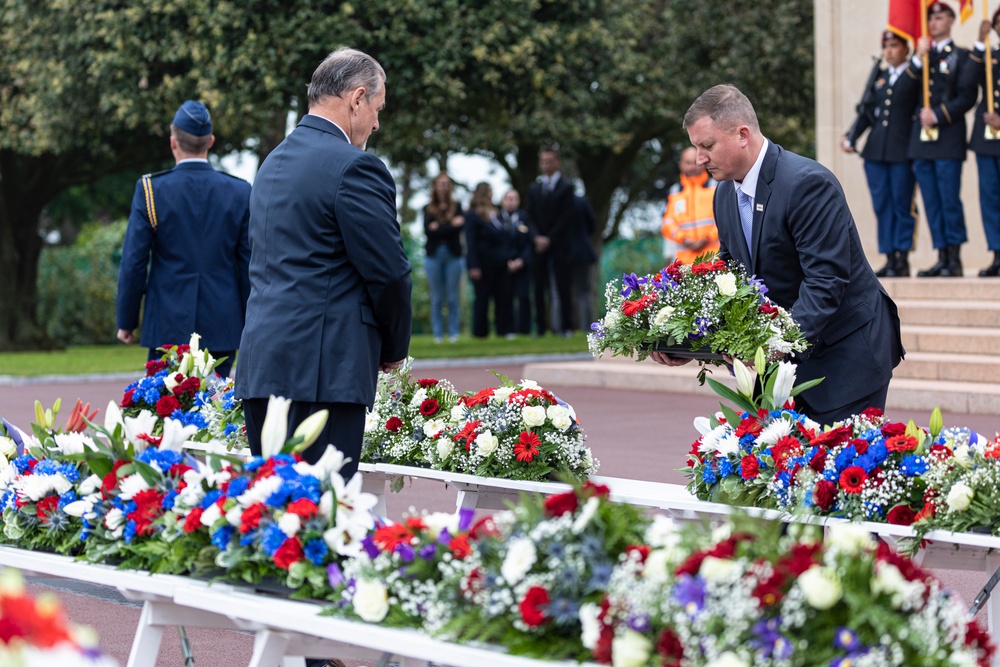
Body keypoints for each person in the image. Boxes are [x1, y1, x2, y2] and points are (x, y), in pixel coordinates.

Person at [653, 84, 903, 426]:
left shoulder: (807, 184)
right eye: (696, 147)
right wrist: (689, 342)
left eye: (707, 146)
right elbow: (732, 282)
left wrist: (774, 344)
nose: (699, 159)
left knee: (836, 475)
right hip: (783, 365)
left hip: (845, 358)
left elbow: (825, 282)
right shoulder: (723, 194)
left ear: (742, 134)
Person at [235, 48, 412, 478]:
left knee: (273, 515)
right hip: (323, 371)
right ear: (356, 98)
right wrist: (393, 350)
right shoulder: (355, 168)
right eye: (377, 107)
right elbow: (389, 273)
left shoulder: (271, 163)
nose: (376, 123)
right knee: (321, 516)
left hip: (263, 365)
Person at [116, 100, 251, 379]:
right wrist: (252, 324)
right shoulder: (239, 192)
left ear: (173, 142)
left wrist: (126, 321)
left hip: (167, 326)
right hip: (222, 325)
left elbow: (134, 263)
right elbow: (248, 266)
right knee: (216, 413)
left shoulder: (152, 190)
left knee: (167, 414)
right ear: (210, 141)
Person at [906, 1, 979, 277]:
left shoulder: (960, 56)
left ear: (951, 20)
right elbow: (905, 93)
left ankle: (954, 257)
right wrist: (917, 57)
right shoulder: (923, 56)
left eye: (940, 17)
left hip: (948, 138)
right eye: (931, 18)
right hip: (922, 142)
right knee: (931, 202)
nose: (934, 22)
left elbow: (967, 96)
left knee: (949, 199)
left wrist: (938, 114)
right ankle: (941, 255)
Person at [843, 31, 919, 278]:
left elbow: (910, 91)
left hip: (901, 152)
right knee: (882, 205)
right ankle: (889, 256)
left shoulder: (913, 75)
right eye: (885, 46)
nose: (889, 51)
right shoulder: (881, 77)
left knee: (902, 204)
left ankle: (903, 256)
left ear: (906, 49)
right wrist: (851, 136)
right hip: (876, 153)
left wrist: (919, 60)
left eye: (894, 45)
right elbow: (867, 112)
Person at [527, 147, 576, 336]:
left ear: (557, 162)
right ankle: (540, 327)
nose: (546, 164)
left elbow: (567, 217)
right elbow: (529, 216)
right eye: (543, 161)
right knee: (538, 287)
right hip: (538, 246)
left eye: (550, 161)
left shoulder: (567, 187)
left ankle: (566, 326)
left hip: (559, 245)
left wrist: (549, 238)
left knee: (563, 286)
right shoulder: (534, 189)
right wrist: (536, 237)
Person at [970, 9, 1000, 276]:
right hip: (987, 140)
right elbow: (967, 82)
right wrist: (980, 42)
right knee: (990, 198)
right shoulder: (989, 55)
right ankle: (997, 253)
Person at [465, 182, 515, 337]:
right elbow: (471, 242)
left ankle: (504, 330)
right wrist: (473, 265)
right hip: (483, 264)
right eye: (490, 191)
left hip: (500, 262)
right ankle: (480, 333)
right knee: (482, 299)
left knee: (503, 297)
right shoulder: (473, 215)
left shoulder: (498, 213)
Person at [423, 173, 465, 341]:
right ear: (435, 186)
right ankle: (438, 334)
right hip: (433, 256)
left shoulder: (458, 206)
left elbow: (458, 229)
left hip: (453, 255)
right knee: (437, 297)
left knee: (453, 296)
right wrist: (449, 225)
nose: (444, 187)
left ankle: (454, 333)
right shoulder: (427, 208)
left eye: (446, 184)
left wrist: (438, 227)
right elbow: (428, 231)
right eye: (441, 184)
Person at [659, 146, 719, 265]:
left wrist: (707, 238)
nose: (692, 167)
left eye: (695, 162)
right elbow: (667, 223)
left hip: (713, 258)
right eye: (688, 163)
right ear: (680, 165)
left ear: (702, 162)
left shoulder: (715, 187)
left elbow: (725, 219)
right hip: (682, 262)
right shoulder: (674, 192)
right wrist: (683, 239)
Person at [498, 188, 535, 335]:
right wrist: (507, 260)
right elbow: (497, 243)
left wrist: (521, 260)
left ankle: (524, 330)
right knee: (505, 298)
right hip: (504, 265)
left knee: (524, 297)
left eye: (514, 199)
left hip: (522, 265)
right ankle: (507, 330)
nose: (511, 202)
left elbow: (529, 243)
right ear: (503, 201)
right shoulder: (497, 219)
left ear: (518, 201)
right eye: (508, 198)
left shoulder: (525, 218)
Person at [569, 194, 598, 332]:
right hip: (582, 251)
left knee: (561, 293)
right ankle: (586, 327)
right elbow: (592, 224)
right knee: (584, 292)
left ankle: (565, 328)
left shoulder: (556, 202)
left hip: (565, 251)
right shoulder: (581, 201)